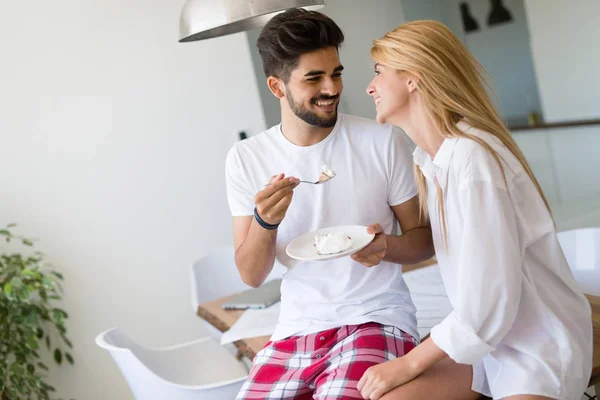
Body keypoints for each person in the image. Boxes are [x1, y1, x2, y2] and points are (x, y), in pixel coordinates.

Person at [358, 20, 593, 400]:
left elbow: (489, 303)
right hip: (489, 346)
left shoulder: (472, 159)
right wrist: (383, 246)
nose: (369, 87)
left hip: (538, 351)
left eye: (378, 72)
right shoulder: (433, 163)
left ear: (413, 78)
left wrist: (408, 363)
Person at [225, 8, 435, 399]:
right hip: (295, 329)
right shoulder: (246, 158)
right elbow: (251, 276)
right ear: (277, 87)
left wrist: (384, 246)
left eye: (335, 73)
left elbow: (425, 241)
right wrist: (265, 222)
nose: (332, 88)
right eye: (314, 78)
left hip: (376, 318)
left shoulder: (381, 140)